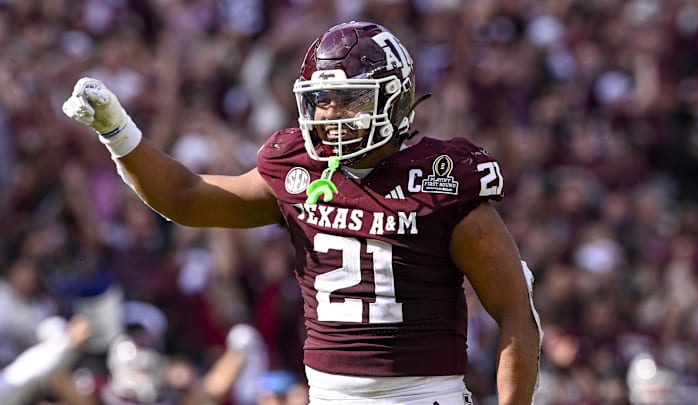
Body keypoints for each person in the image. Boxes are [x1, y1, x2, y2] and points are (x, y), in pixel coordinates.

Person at [62, 21, 542, 404]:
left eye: (349, 99)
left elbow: (516, 315)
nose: (330, 114)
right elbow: (185, 197)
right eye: (322, 100)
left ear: (394, 99)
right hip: (327, 395)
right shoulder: (299, 168)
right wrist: (117, 131)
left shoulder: (442, 177)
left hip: (421, 395)